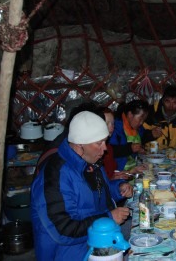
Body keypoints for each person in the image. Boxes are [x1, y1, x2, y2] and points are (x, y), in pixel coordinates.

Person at [31, 111, 131, 261]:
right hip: (68, 253)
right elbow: (63, 230)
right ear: (80, 144)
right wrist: (109, 218)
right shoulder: (55, 175)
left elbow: (98, 192)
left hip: (98, 242)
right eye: (99, 143)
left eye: (105, 141)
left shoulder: (91, 162)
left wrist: (118, 188)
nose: (105, 149)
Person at [108, 100, 159, 174]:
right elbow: (110, 151)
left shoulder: (137, 127)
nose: (141, 123)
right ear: (130, 115)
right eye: (140, 119)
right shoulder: (115, 127)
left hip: (133, 169)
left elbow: (141, 138)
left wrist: (151, 135)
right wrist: (130, 148)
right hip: (118, 172)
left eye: (143, 120)